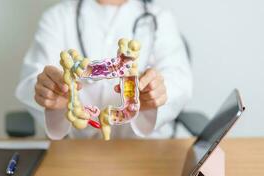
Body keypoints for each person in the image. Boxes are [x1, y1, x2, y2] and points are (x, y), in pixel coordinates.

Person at [16, 0, 192, 140]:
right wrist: (48, 93)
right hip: (75, 149)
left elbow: (179, 81)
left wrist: (157, 92)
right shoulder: (57, 17)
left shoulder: (160, 18)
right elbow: (32, 79)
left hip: (146, 150)